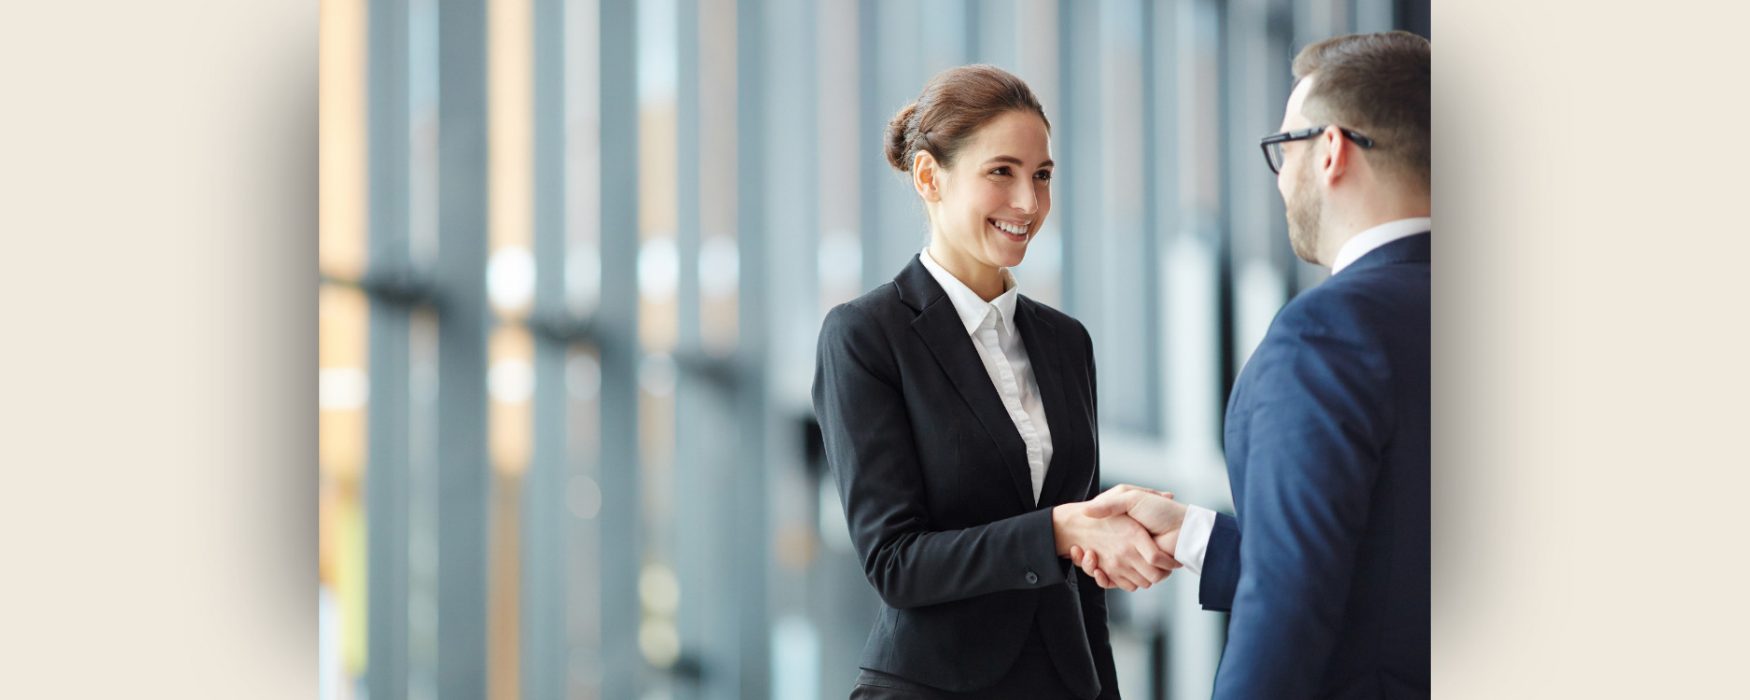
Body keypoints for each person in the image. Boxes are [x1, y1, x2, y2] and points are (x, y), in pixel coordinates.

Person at [1069, 31, 1431, 699]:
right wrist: (1194, 536)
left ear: (1331, 150)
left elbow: (1290, 608)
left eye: (1284, 148)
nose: (1281, 176)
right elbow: (1394, 580)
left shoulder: (1328, 333)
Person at [812, 64, 1176, 700]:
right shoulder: (867, 335)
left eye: (1040, 176)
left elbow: (1079, 580)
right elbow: (895, 563)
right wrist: (1060, 528)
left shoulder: (1066, 342)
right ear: (929, 176)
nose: (1028, 204)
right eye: (1000, 172)